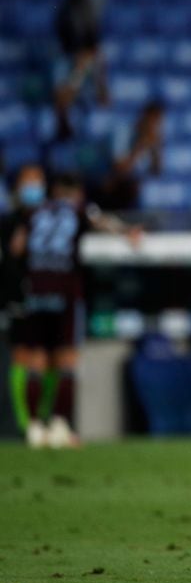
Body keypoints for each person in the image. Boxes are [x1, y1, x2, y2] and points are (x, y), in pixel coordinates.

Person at [13, 173, 139, 448]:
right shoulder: (78, 209)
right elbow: (100, 221)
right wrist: (127, 232)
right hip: (65, 289)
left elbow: (17, 247)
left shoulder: (34, 211)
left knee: (36, 359)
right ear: (75, 192)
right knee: (67, 360)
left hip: (36, 289)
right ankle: (60, 425)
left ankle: (34, 428)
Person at [53, 0, 127, 139]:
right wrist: (79, 70)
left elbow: (105, 101)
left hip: (86, 28)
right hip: (77, 23)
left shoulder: (94, 60)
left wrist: (97, 77)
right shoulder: (62, 63)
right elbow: (61, 99)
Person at [3, 164, 48, 440]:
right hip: (18, 295)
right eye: (27, 180)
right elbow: (9, 260)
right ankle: (23, 424)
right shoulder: (9, 222)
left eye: (37, 180)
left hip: (49, 294)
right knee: (21, 354)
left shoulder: (52, 219)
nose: (33, 186)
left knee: (45, 357)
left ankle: (43, 419)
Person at [96, 100, 165, 212]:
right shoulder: (123, 132)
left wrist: (156, 149)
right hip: (112, 189)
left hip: (132, 192)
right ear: (144, 117)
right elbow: (120, 168)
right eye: (152, 120)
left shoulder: (151, 139)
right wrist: (141, 146)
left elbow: (156, 172)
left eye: (157, 122)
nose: (153, 125)